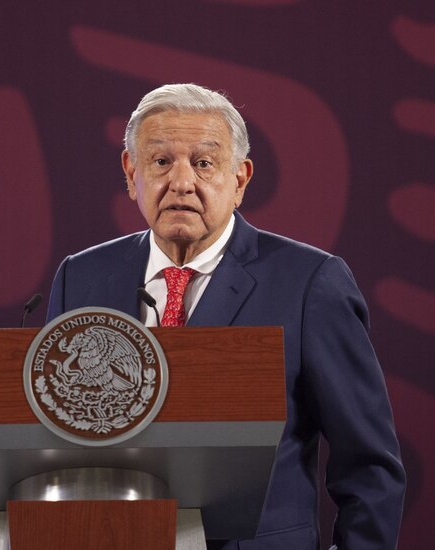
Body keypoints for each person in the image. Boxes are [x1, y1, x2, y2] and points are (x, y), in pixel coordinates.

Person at [46, 83, 405, 549]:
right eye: (160, 162)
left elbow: (369, 467)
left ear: (239, 179)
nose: (181, 182)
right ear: (131, 173)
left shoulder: (309, 283)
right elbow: (52, 441)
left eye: (203, 163)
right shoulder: (82, 277)